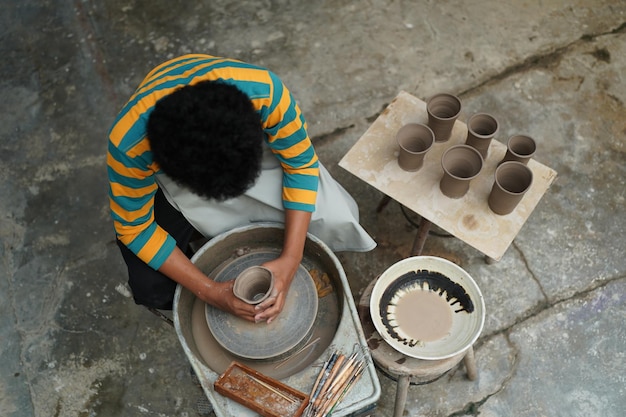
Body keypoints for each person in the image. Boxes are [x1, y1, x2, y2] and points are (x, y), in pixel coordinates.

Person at [108, 54, 375, 324]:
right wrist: (211, 292)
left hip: (243, 156)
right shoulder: (128, 146)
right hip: (179, 171)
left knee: (335, 216)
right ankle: (194, 305)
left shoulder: (264, 92)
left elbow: (301, 165)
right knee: (151, 286)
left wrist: (291, 258)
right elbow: (135, 228)